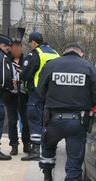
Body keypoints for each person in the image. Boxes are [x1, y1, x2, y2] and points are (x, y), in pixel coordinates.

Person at [36, 43, 96, 181]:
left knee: (48, 149)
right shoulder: (89, 67)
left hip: (53, 119)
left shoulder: (51, 65)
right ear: (81, 53)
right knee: (74, 160)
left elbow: (40, 91)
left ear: (65, 51)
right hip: (77, 121)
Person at [20, 32, 59, 161]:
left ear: (34, 42)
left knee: (35, 118)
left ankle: (36, 149)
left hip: (37, 92)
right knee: (47, 120)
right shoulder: (55, 53)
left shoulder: (36, 53)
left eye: (30, 43)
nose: (30, 45)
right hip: (53, 93)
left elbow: (25, 73)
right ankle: (46, 148)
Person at [4, 37, 31, 155]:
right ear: (10, 48)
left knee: (26, 121)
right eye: (14, 47)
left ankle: (26, 144)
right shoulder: (6, 60)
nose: (16, 49)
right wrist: (10, 81)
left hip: (24, 95)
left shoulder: (26, 60)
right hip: (10, 95)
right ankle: (14, 145)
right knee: (12, 121)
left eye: (19, 46)